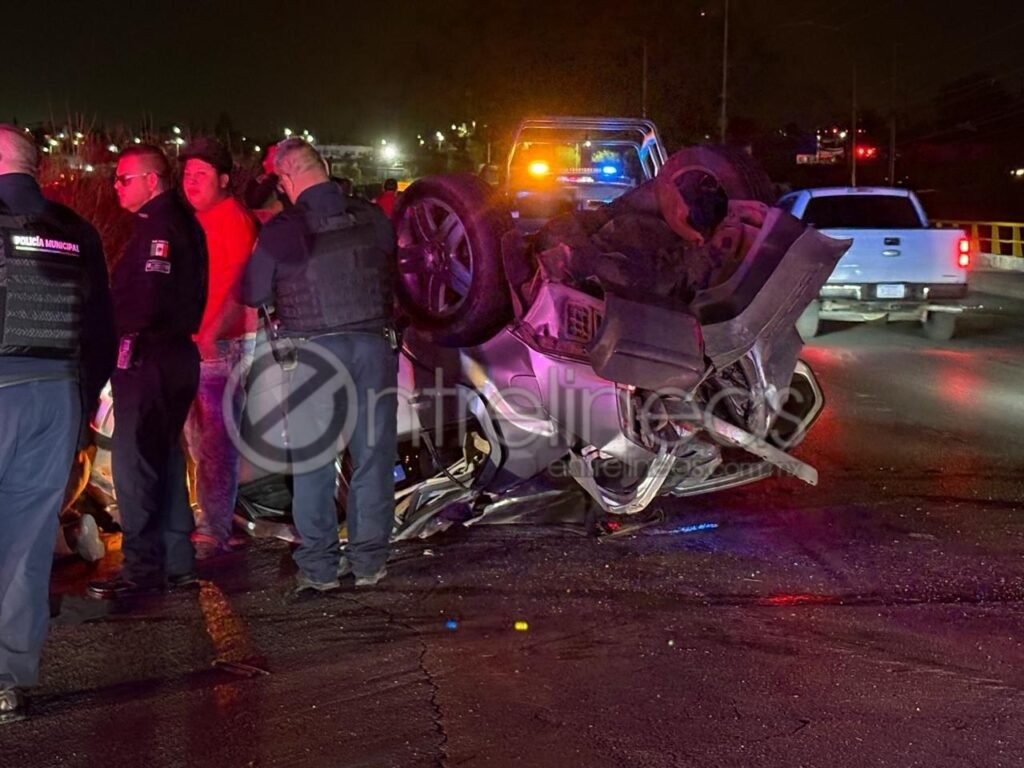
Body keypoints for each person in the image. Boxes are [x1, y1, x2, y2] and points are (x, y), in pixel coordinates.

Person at [241, 138, 398, 593]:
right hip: (373, 348)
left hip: (312, 357)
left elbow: (253, 292)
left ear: (285, 179)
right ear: (325, 166)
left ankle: (320, 569)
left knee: (314, 464)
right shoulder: (372, 215)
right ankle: (369, 563)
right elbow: (394, 271)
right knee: (373, 459)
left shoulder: (284, 228)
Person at [0, 125, 116, 723]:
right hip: (56, 395)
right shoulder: (76, 230)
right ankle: (8, 680)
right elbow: (102, 330)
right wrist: (78, 401)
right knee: (26, 543)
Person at [86, 144, 208, 600]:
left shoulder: (160, 227)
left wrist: (108, 324)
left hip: (148, 354)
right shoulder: (181, 222)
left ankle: (141, 569)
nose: (116, 186)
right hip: (174, 355)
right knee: (166, 457)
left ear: (151, 181)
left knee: (135, 463)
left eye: (123, 178)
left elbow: (147, 299)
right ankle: (177, 561)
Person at [180, 137, 258, 558]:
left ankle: (214, 528)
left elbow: (241, 284)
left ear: (224, 179)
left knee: (215, 442)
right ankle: (214, 518)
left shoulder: (232, 219)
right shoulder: (198, 220)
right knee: (199, 441)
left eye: (201, 174)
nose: (191, 181)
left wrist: (211, 333)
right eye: (187, 174)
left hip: (221, 346)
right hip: (195, 344)